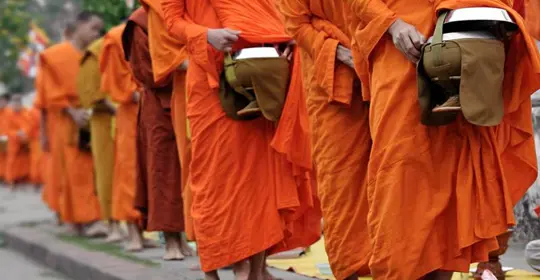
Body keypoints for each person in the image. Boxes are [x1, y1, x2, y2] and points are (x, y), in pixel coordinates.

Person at [346, 0, 540, 279]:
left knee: (453, 193)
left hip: (464, 46)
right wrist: (392, 25)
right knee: (399, 185)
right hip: (401, 52)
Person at [162, 0, 322, 279]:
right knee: (212, 179)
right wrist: (206, 35)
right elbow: (172, 21)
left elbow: (273, 13)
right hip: (208, 81)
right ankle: (212, 269)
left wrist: (283, 39)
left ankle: (254, 270)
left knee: (259, 179)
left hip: (255, 77)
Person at [276, 1, 371, 279]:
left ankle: (390, 261)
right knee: (339, 180)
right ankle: (350, 267)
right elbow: (295, 23)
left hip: (380, 66)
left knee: (390, 171)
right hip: (327, 80)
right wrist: (339, 53)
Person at [122, 7, 194, 260]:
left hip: (193, 98)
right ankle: (170, 241)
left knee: (191, 170)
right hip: (159, 105)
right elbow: (145, 71)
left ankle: (185, 235)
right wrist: (183, 66)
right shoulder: (141, 21)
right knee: (163, 171)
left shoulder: (189, 11)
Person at [35, 11, 105, 236]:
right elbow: (49, 91)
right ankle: (83, 220)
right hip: (65, 119)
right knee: (74, 170)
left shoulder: (95, 53)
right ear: (79, 26)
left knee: (93, 169)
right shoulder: (54, 55)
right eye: (93, 28)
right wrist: (71, 111)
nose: (97, 34)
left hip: (93, 114)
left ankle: (91, 218)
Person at [139, 0, 195, 243]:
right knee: (172, 171)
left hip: (215, 87)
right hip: (169, 98)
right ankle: (176, 240)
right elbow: (151, 65)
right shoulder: (146, 16)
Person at [100, 23, 148, 251]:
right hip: (131, 112)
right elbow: (116, 82)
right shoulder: (116, 36)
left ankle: (166, 234)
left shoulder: (163, 24)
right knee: (129, 171)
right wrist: (139, 91)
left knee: (160, 170)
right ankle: (133, 232)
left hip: (158, 108)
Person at [77, 37, 123, 242]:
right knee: (107, 174)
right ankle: (112, 223)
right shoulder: (94, 53)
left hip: (126, 119)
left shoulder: (125, 46)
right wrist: (117, 109)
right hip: (104, 122)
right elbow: (94, 96)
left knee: (129, 173)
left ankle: (135, 227)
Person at [4, 93, 32, 188]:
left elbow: (29, 125)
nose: (16, 105)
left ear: (21, 103)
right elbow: (8, 130)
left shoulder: (26, 112)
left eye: (18, 103)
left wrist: (24, 132)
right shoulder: (9, 114)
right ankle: (11, 179)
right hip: (14, 139)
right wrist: (17, 133)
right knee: (12, 157)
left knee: (26, 157)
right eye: (14, 103)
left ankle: (24, 176)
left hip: (26, 137)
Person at [0, 94, 10, 182]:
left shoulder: (9, 112)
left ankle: (5, 176)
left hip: (6, 138)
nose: (1, 102)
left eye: (3, 101)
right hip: (1, 137)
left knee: (6, 157)